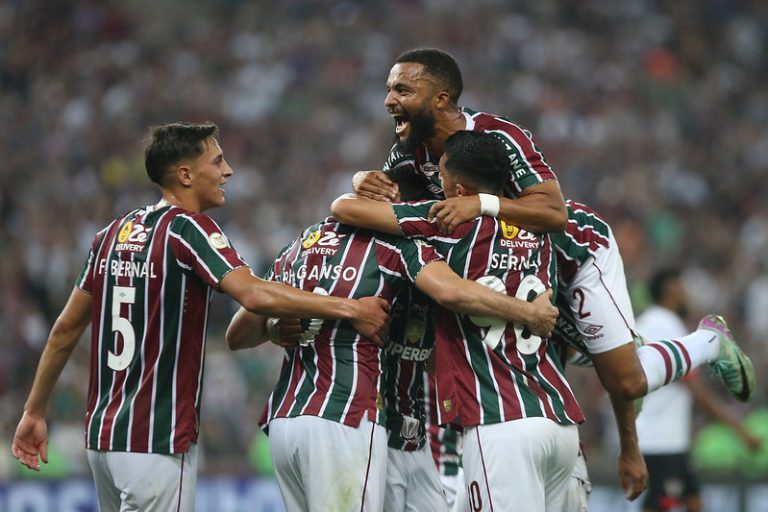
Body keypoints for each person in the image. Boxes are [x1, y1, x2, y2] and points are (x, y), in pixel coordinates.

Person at [354, 47, 756, 504]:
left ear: (441, 98)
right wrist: (361, 183)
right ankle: (577, 417)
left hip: (575, 256)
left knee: (624, 380)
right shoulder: (405, 154)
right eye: (389, 88)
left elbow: (554, 212)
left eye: (402, 89)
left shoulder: (499, 135)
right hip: (516, 275)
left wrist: (481, 204)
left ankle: (708, 340)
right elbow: (384, 213)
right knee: (525, 353)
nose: (389, 99)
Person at [10, 122, 393, 512]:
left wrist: (33, 410)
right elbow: (254, 293)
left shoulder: (110, 234)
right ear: (185, 175)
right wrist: (350, 307)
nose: (227, 172)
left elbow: (64, 329)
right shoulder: (187, 229)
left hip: (104, 440)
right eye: (218, 161)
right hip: (155, 437)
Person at [226, 182, 559, 512]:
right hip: (348, 415)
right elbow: (451, 291)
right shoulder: (396, 244)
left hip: (293, 420)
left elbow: (237, 334)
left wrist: (273, 328)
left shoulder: (297, 248)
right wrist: (528, 312)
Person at [334, 130, 585, 512]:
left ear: (458, 188)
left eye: (442, 175)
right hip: (558, 420)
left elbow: (345, 210)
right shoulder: (540, 233)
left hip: (499, 419)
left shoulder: (451, 221)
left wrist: (360, 182)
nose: (437, 182)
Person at [635, 267, 762, 512]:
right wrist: (739, 429)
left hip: (664, 438)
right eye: (683, 289)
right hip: (661, 440)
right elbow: (694, 388)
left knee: (694, 502)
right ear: (671, 291)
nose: (687, 295)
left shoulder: (648, 322)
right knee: (662, 505)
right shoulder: (665, 324)